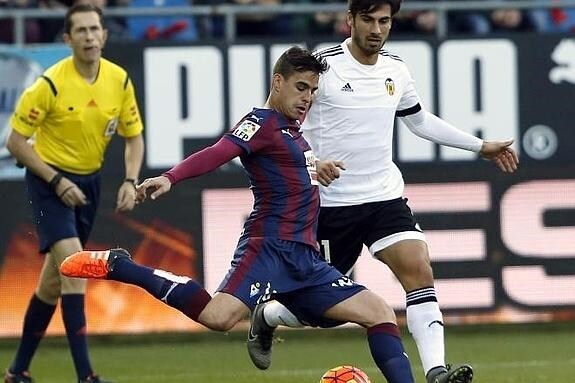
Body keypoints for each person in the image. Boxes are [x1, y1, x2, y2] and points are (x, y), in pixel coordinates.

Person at [59, 46, 417, 383]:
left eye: (313, 90)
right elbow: (219, 151)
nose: (308, 97)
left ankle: (272, 318)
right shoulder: (260, 122)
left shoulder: (294, 134)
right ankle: (122, 266)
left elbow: (288, 169)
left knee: (380, 312)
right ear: (278, 82)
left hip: (305, 259)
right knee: (218, 317)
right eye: (301, 87)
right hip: (268, 249)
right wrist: (171, 177)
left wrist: (316, 167)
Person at [246, 1, 519, 383]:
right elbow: (277, 123)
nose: (377, 29)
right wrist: (310, 164)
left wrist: (479, 145)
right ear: (350, 21)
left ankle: (436, 372)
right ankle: (270, 315)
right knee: (319, 311)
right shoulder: (324, 67)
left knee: (418, 268)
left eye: (385, 21)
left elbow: (419, 121)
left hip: (383, 197)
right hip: (330, 205)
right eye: (369, 20)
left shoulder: (396, 69)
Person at [4, 4, 144, 383]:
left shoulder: (118, 80)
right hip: (50, 182)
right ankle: (87, 377)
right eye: (80, 31)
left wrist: (131, 180)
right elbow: (16, 142)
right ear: (67, 39)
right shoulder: (49, 84)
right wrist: (56, 181)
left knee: (52, 283)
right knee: (76, 268)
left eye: (94, 29)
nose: (88, 37)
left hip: (88, 183)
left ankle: (17, 372)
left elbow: (134, 137)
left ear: (104, 35)